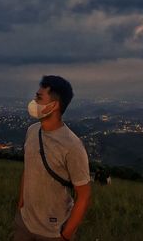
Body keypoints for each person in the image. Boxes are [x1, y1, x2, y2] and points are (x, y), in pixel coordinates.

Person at [13, 75, 92, 241]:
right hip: (24, 223)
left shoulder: (72, 146)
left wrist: (66, 235)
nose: (33, 102)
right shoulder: (32, 131)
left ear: (53, 105)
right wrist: (21, 204)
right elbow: (28, 169)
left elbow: (83, 195)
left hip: (54, 232)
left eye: (39, 97)